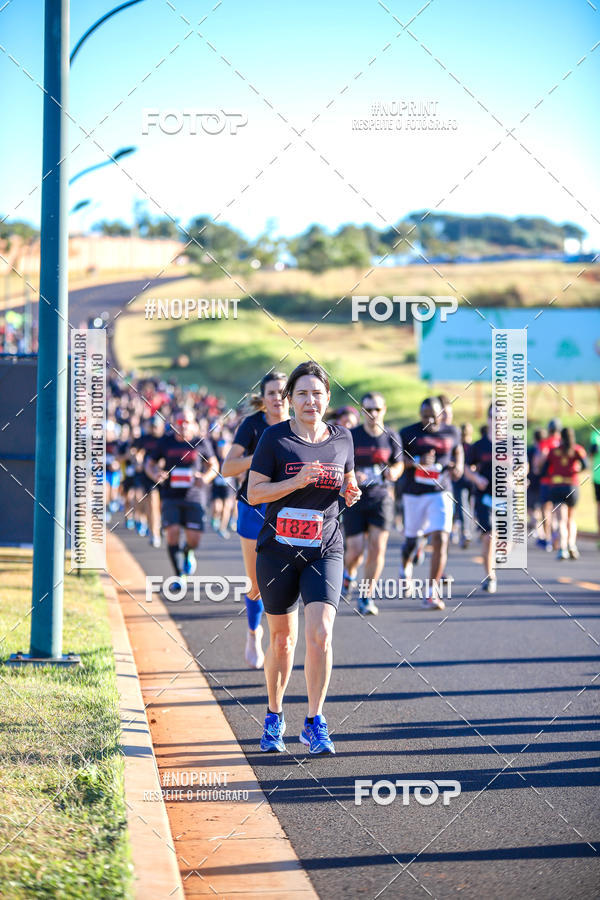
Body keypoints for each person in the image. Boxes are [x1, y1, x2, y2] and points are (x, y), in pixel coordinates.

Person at [247, 362, 360, 754]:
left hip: (325, 548)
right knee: (282, 641)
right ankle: (274, 716)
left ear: (328, 398)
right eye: (302, 394)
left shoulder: (343, 438)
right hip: (278, 550)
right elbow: (254, 493)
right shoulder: (275, 439)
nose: (311, 400)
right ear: (289, 399)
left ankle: (314, 721)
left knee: (322, 633)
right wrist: (296, 481)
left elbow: (348, 478)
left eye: (317, 393)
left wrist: (350, 490)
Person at [222, 372, 289, 669]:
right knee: (257, 583)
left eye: (282, 392)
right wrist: (260, 455)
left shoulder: (300, 424)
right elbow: (227, 468)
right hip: (254, 507)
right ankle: (253, 631)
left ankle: (281, 636)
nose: (278, 398)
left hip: (289, 511)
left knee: (286, 579)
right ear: (263, 398)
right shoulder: (252, 426)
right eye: (272, 392)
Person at [342, 392, 404, 614]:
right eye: (369, 409)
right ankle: (348, 574)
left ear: (384, 410)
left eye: (377, 409)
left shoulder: (391, 436)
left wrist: (394, 473)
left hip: (381, 498)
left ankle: (366, 596)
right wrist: (353, 475)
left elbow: (399, 464)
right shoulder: (352, 435)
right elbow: (341, 464)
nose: (373, 414)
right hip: (355, 498)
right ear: (362, 411)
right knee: (355, 551)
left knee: (377, 548)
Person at [399, 397, 463, 610]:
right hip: (414, 494)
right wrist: (416, 462)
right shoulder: (408, 432)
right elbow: (398, 460)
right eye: (425, 416)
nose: (429, 420)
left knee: (441, 538)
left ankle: (430, 592)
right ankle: (405, 565)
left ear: (441, 414)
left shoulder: (452, 432)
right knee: (411, 541)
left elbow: (458, 450)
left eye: (433, 416)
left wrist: (458, 466)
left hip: (440, 492)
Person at [145, 409, 218, 590]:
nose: (183, 425)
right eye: (179, 422)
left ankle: (188, 552)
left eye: (187, 422)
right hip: (171, 496)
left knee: (194, 540)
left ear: (194, 424)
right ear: (174, 424)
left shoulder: (200, 442)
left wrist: (206, 478)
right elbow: (150, 463)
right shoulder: (165, 441)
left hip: (194, 496)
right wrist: (155, 474)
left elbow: (214, 465)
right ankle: (179, 575)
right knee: (172, 533)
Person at [463, 405, 497, 592]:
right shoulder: (479, 446)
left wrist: (516, 476)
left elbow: (523, 466)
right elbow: (467, 468)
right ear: (488, 419)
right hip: (485, 496)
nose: (497, 421)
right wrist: (477, 478)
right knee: (489, 537)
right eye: (493, 417)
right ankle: (490, 576)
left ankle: (493, 561)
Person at [540, 427, 587, 559]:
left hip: (557, 486)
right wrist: (576, 469)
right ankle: (572, 545)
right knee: (571, 518)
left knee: (561, 519)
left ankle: (563, 548)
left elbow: (544, 470)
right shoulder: (577, 450)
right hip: (572, 485)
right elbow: (585, 465)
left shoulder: (554, 451)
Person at [534, 419, 562, 551]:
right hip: (560, 481)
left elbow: (538, 462)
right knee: (559, 511)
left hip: (546, 481)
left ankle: (549, 538)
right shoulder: (563, 442)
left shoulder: (544, 443)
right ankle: (559, 538)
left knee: (546, 511)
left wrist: (538, 468)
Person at [452, 422, 474, 548]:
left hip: (463, 480)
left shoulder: (464, 447)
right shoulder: (468, 447)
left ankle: (463, 531)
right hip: (465, 480)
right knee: (466, 506)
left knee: (462, 505)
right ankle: (464, 531)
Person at [527, 428, 546, 547]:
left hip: (531, 483)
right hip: (544, 484)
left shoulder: (530, 451)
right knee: (541, 510)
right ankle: (543, 534)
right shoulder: (547, 451)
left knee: (531, 510)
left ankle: (540, 534)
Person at [589, 428, 600, 547]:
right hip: (597, 478)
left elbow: (593, 451)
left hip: (598, 477)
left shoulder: (596, 434)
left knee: (599, 507)